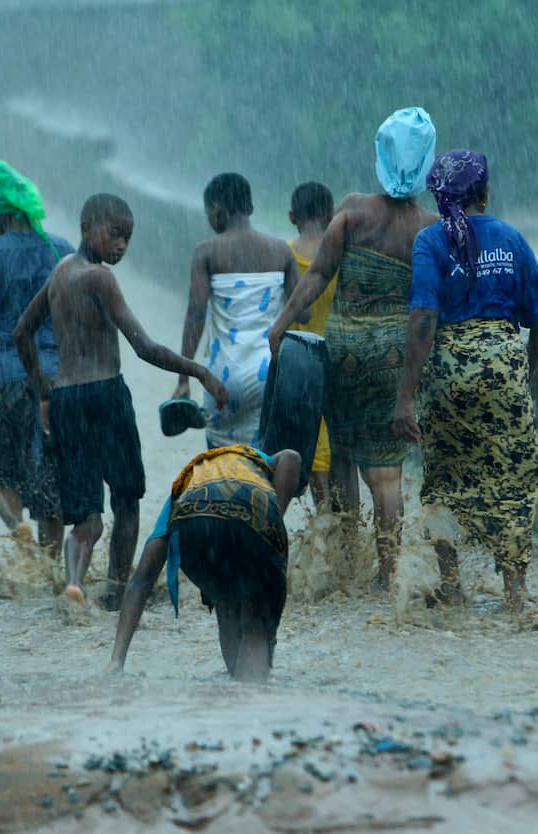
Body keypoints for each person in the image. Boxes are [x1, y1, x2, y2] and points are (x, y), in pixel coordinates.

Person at [15, 193, 229, 610]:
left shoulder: (59, 273)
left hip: (66, 400)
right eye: (114, 235)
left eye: (128, 238)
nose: (121, 246)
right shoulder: (100, 279)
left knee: (86, 516)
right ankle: (117, 593)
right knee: (127, 499)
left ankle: (75, 583)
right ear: (86, 228)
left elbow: (22, 333)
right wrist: (198, 371)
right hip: (106, 395)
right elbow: (144, 347)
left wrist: (44, 388)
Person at [269, 107, 438, 589]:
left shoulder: (352, 211)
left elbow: (318, 275)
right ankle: (389, 573)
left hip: (342, 353)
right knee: (385, 473)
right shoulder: (428, 228)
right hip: (392, 358)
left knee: (342, 457)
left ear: (381, 157)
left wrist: (281, 324)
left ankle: (345, 563)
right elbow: (428, 311)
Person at [392, 150, 538, 613]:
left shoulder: (430, 241)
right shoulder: (510, 238)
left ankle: (452, 585)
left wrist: (406, 396)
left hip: (447, 372)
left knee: (445, 480)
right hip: (503, 362)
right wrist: (527, 365)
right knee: (514, 479)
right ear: (485, 193)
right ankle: (515, 594)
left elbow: (424, 318)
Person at [106, 446, 301, 682]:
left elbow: (142, 578)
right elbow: (292, 458)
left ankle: (233, 690)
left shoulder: (190, 482)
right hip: (251, 517)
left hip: (193, 524)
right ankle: (252, 694)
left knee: (225, 603)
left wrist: (117, 659)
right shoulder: (258, 462)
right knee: (256, 622)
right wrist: (272, 521)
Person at [0, 160, 71, 557]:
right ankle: (51, 564)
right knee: (49, 473)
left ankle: (17, 527)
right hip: (53, 374)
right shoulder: (61, 251)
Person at [174, 173, 298, 448]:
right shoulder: (281, 251)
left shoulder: (206, 252)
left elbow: (196, 314)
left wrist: (184, 379)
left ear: (216, 210)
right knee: (265, 455)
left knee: (222, 458)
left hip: (223, 376)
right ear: (251, 208)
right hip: (270, 373)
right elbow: (303, 313)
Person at [286, 181, 338, 507]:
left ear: (292, 216)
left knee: (302, 448)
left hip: (298, 366)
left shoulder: (284, 255)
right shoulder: (341, 256)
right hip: (337, 361)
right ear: (332, 215)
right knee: (334, 448)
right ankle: (337, 532)